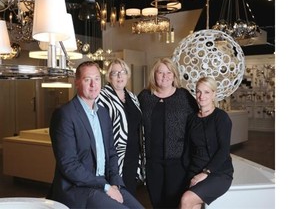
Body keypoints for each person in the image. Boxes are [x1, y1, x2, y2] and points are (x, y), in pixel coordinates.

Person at [47, 61, 144, 209]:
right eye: (87, 79)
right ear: (77, 82)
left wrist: (115, 184)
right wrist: (106, 187)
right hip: (78, 189)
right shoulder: (65, 114)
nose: (93, 84)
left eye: (97, 79)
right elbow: (69, 166)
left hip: (105, 184)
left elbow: (112, 153)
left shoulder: (103, 113)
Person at [138, 57, 199, 209]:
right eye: (160, 72)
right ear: (154, 75)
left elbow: (197, 123)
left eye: (169, 72)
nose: (165, 76)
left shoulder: (183, 96)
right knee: (156, 201)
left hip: (177, 161)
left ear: (174, 75)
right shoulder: (145, 97)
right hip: (152, 161)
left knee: (173, 202)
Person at [179, 76, 234, 209]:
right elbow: (188, 149)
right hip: (195, 170)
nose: (201, 96)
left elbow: (224, 150)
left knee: (186, 199)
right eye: (198, 91)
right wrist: (188, 173)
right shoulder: (192, 118)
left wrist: (206, 172)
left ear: (214, 94)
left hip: (218, 173)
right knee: (192, 204)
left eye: (207, 92)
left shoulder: (221, 117)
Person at [98, 58, 143, 196]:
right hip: (113, 155)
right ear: (109, 76)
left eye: (122, 72)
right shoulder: (102, 96)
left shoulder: (133, 97)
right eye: (115, 73)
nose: (119, 76)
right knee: (115, 194)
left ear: (127, 75)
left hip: (133, 153)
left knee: (130, 191)